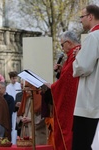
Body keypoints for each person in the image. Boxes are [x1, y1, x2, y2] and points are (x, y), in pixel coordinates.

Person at [45, 31, 80, 150]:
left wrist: (53, 87)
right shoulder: (70, 56)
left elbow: (69, 81)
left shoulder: (76, 54)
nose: (62, 48)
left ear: (69, 43)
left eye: (62, 45)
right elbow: (67, 76)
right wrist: (60, 72)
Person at [72, 5, 99, 150]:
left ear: (90, 16)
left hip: (89, 103)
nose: (80, 21)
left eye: (81, 17)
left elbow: (83, 67)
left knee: (82, 145)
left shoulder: (93, 37)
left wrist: (77, 58)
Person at [6, 71, 21, 144]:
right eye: (13, 78)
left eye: (15, 78)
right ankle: (12, 141)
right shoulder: (8, 87)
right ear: (10, 78)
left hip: (19, 107)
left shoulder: (19, 86)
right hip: (12, 108)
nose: (14, 80)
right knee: (12, 125)